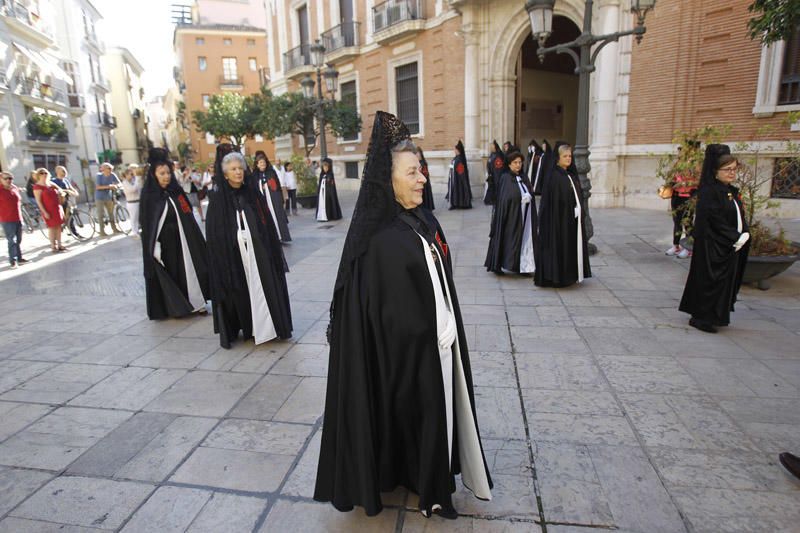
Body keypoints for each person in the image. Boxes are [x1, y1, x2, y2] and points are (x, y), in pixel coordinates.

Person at [314, 111, 493, 518]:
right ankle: (426, 485)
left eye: (422, 170)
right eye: (412, 172)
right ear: (387, 179)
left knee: (438, 414)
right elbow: (386, 315)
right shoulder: (379, 241)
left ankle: (431, 476)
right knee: (421, 414)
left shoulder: (424, 220)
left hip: (437, 349)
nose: (422, 179)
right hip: (410, 358)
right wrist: (423, 339)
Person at [206, 146, 292, 349]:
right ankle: (247, 326)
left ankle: (268, 326)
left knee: (263, 287)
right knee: (241, 292)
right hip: (235, 258)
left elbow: (266, 225)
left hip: (258, 254)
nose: (238, 172)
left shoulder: (253, 194)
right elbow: (215, 233)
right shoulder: (218, 201)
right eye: (233, 169)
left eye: (240, 168)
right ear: (225, 173)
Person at [679, 146, 750, 334]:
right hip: (713, 246)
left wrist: (745, 232)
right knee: (710, 281)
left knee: (723, 282)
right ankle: (701, 318)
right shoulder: (710, 192)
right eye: (727, 170)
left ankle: (716, 315)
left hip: (729, 246)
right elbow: (714, 219)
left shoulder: (729, 190)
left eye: (735, 169)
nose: (732, 173)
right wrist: (735, 236)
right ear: (715, 171)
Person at [139, 148, 209, 320]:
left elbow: (188, 216)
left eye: (168, 173)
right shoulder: (149, 196)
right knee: (173, 274)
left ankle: (197, 303)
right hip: (166, 244)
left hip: (184, 241)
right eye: (162, 173)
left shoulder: (176, 192)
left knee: (190, 271)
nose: (166, 176)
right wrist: (154, 246)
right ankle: (177, 306)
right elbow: (148, 225)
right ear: (154, 175)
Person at [534, 142, 591, 288]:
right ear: (557, 158)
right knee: (559, 247)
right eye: (565, 156)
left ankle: (570, 274)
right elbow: (553, 203)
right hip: (557, 222)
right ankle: (558, 276)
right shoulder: (554, 177)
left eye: (570, 156)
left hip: (571, 221)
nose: (568, 159)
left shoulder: (570, 175)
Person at [485, 151, 537, 275]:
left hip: (525, 217)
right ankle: (502, 264)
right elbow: (505, 198)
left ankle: (523, 266)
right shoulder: (505, 178)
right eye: (515, 163)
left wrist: (529, 197)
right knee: (509, 240)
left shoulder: (524, 177)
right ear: (509, 164)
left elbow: (529, 192)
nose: (518, 165)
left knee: (524, 241)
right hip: (510, 217)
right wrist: (519, 199)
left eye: (520, 162)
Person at [666, 143, 701, 259]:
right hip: (676, 195)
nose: (680, 153)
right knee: (677, 221)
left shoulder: (696, 165)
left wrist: (684, 183)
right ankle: (676, 246)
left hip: (688, 197)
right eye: (679, 151)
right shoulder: (678, 163)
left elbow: (700, 181)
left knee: (687, 222)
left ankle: (688, 248)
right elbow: (672, 177)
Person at [253, 151, 291, 243]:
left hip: (273, 200)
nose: (263, 164)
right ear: (257, 164)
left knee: (277, 217)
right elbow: (253, 187)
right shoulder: (254, 175)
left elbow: (276, 186)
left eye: (264, 162)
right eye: (261, 163)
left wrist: (268, 186)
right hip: (263, 201)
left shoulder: (271, 172)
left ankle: (280, 236)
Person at [33, 168, 67, 252]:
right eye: (41, 173)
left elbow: (61, 190)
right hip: (48, 209)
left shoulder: (50, 184)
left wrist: (61, 193)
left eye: (45, 173)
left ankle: (59, 244)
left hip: (57, 207)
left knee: (59, 227)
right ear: (38, 175)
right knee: (52, 227)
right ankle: (53, 245)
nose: (44, 174)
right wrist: (44, 212)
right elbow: (39, 201)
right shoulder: (37, 187)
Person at [0, 171, 28, 268]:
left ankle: (19, 258)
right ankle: (13, 260)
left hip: (18, 217)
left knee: (18, 239)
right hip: (7, 219)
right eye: (5, 178)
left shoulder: (14, 188)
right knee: (12, 240)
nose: (8, 180)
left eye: (10, 178)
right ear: (1, 179)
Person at [95, 162, 121, 236]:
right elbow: (98, 187)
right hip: (99, 197)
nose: (110, 170)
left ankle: (114, 228)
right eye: (108, 168)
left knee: (111, 213)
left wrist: (117, 185)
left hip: (108, 196)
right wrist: (109, 186)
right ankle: (102, 231)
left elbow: (119, 183)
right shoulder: (99, 176)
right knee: (101, 214)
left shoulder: (112, 175)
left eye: (111, 168)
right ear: (103, 169)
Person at [315, 158, 343, 222]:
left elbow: (331, 185)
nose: (325, 169)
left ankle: (329, 216)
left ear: (329, 167)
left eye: (326, 167)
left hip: (328, 193)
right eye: (324, 167)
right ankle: (322, 216)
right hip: (322, 193)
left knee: (329, 204)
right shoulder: (321, 174)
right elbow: (320, 184)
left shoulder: (330, 174)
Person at [447, 140, 472, 209]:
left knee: (459, 191)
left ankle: (459, 204)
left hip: (457, 179)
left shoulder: (460, 159)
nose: (454, 150)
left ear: (458, 150)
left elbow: (461, 171)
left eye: (455, 149)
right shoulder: (456, 158)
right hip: (453, 178)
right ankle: (454, 203)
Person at [120, 165, 142, 236]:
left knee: (139, 218)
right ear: (126, 175)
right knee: (134, 218)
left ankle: (138, 231)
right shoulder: (125, 182)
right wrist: (137, 179)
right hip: (132, 203)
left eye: (133, 174)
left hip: (138, 201)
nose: (133, 176)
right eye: (131, 174)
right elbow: (133, 189)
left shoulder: (133, 181)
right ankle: (135, 232)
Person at [484, 141, 504, 206]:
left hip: (496, 175)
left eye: (491, 146)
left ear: (495, 146)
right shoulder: (492, 154)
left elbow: (498, 167)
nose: (490, 147)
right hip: (491, 175)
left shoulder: (498, 155)